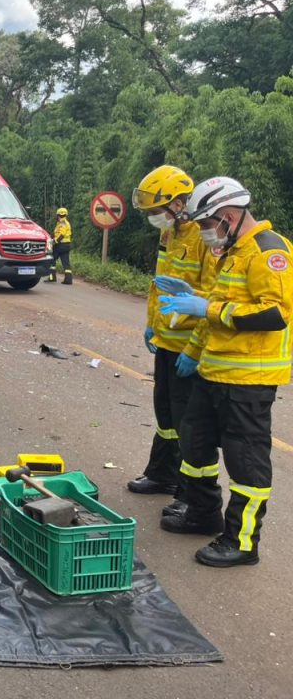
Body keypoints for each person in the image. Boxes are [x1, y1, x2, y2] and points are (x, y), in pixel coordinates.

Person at [158, 176, 293, 567]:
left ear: (229, 217)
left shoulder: (270, 252)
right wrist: (194, 343)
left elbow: (275, 314)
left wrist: (208, 308)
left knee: (246, 464)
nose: (204, 234)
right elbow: (219, 308)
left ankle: (242, 541)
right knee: (194, 446)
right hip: (213, 373)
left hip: (248, 382)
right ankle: (202, 513)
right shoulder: (231, 252)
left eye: (206, 225)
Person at [127, 166, 217, 520]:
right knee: (165, 412)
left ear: (180, 203)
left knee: (188, 423)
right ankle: (162, 473)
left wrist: (195, 347)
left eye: (157, 209)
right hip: (166, 340)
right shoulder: (171, 234)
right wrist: (152, 325)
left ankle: (188, 492)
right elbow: (159, 285)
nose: (153, 217)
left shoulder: (203, 235)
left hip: (189, 348)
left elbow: (211, 295)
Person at [48, 207, 72, 283]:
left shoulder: (62, 223)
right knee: (66, 263)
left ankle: (52, 278)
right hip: (67, 245)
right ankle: (68, 280)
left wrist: (55, 241)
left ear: (58, 215)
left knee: (51, 260)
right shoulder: (66, 222)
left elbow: (62, 234)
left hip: (60, 245)